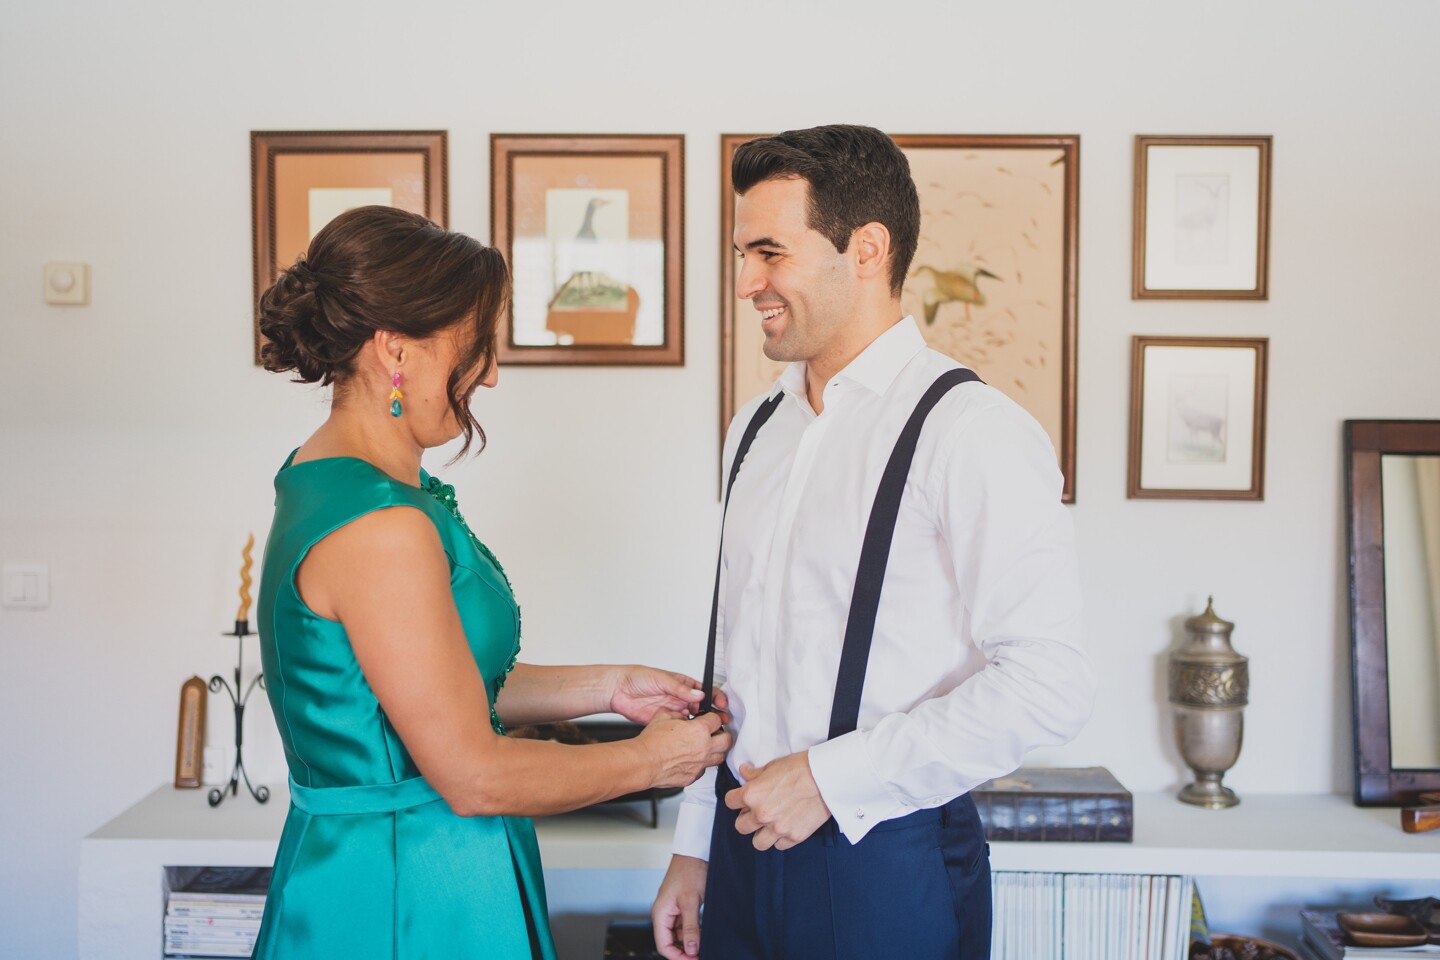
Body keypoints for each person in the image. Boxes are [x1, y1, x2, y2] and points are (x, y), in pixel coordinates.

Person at [651, 125, 1094, 960]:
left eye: (770, 252)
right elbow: (736, 665)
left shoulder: (973, 432)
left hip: (891, 865)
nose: (747, 282)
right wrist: (695, 844)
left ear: (866, 248)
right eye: (744, 253)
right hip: (742, 854)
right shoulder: (755, 430)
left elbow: (1051, 683)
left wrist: (827, 780)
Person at [252, 205, 731, 960]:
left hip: (401, 867)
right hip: (410, 893)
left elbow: (426, 687)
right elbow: (472, 774)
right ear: (396, 350)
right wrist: (652, 761)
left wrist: (609, 687)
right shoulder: (379, 526)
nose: (492, 372)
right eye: (476, 347)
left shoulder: (330, 483)